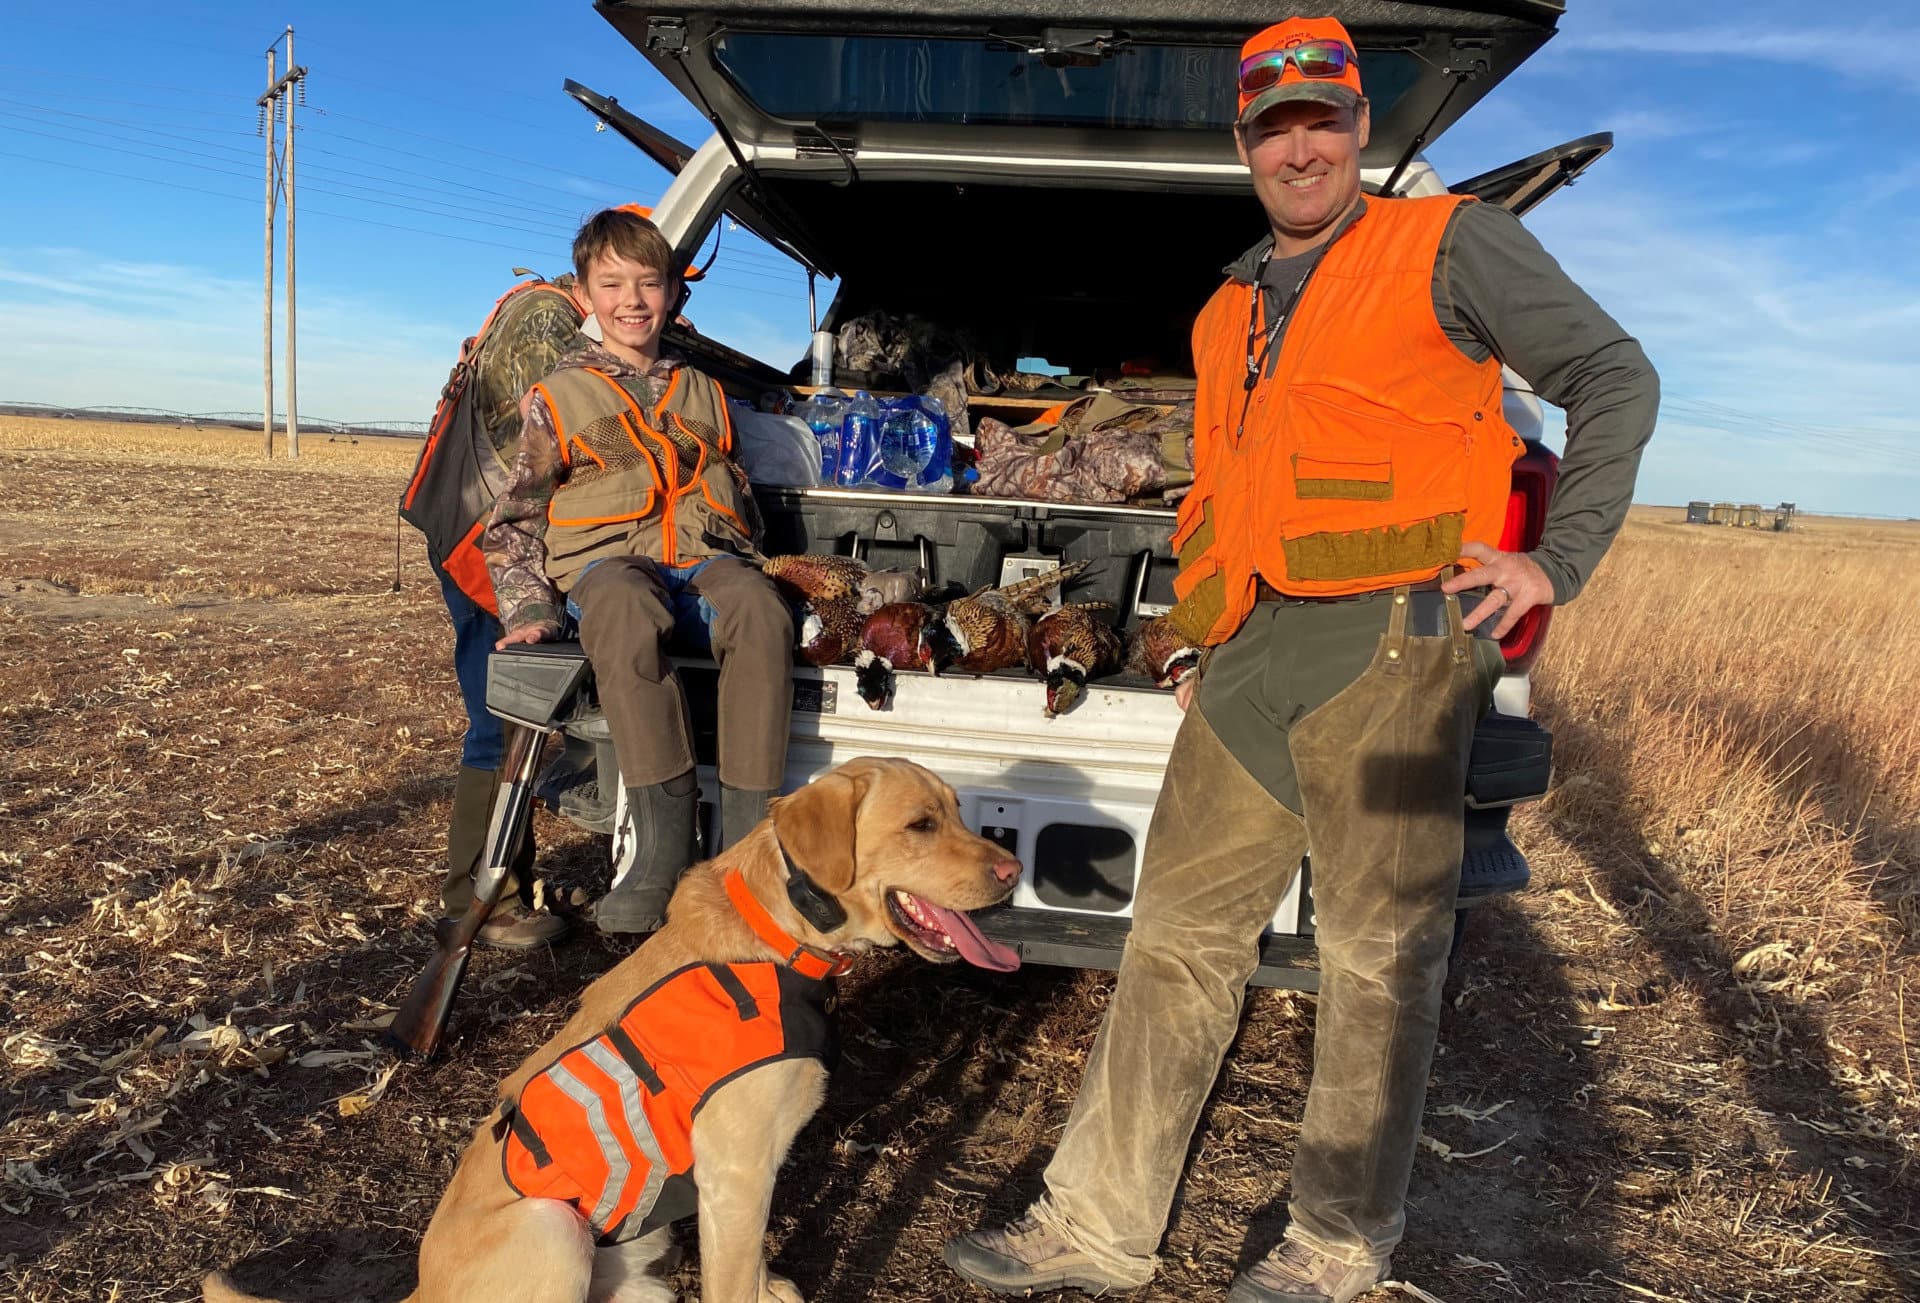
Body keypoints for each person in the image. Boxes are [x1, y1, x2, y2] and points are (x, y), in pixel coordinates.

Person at [943, 15, 1657, 1303]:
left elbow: (1614, 374)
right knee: (1173, 935)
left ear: (1361, 129)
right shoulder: (1225, 309)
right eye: (1276, 128)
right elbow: (1220, 493)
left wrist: (1558, 561)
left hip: (1393, 643)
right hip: (1251, 652)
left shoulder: (1448, 244)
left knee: (1379, 958)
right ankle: (1096, 1229)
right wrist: (1192, 633)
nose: (1302, 147)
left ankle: (1333, 1249)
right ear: (1245, 144)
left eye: (1324, 120)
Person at [484, 207, 793, 935]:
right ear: (586, 294)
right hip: (609, 566)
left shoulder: (706, 392)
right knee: (624, 608)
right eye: (612, 283)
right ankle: (661, 849)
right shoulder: (558, 397)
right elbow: (515, 523)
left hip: (703, 561)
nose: (632, 300)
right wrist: (529, 613)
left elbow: (739, 492)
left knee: (760, 609)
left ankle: (750, 851)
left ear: (671, 296)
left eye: (648, 284)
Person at [428, 269, 586, 949]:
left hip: (487, 539)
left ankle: (510, 882)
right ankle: (477, 902)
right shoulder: (549, 319)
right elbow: (548, 425)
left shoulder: (543, 313)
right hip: (490, 546)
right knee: (500, 720)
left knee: (514, 718)